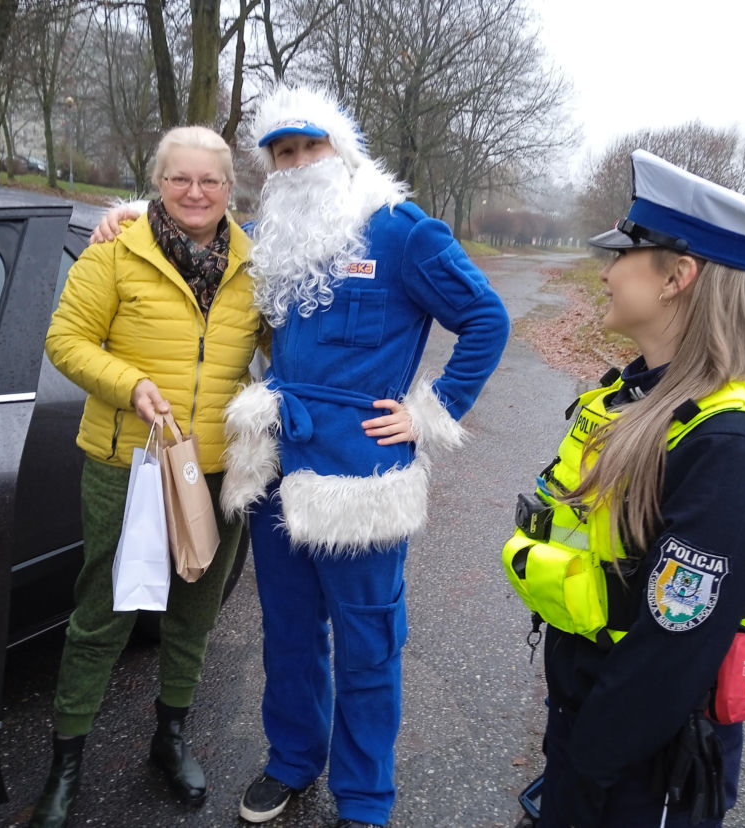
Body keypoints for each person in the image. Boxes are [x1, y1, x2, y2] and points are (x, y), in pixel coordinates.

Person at [93, 84, 510, 827]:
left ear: (340, 150)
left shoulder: (401, 232)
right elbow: (201, 232)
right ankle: (291, 760)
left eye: (308, 146)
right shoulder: (273, 238)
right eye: (281, 152)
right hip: (278, 466)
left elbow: (486, 317)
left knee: (368, 644)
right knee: (287, 635)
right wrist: (130, 215)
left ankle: (365, 798)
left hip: (360, 483)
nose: (295, 163)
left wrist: (430, 411)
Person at [502, 149, 745, 828]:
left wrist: (584, 779)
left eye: (622, 255)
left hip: (642, 767)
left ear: (677, 277)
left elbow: (670, 654)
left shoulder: (733, 449)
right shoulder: (639, 399)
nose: (605, 272)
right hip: (590, 725)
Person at [31, 126, 261, 828]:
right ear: (158, 183)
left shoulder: (256, 266)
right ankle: (65, 763)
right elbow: (65, 340)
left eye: (210, 180)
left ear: (229, 188)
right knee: (104, 612)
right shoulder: (115, 251)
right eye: (179, 178)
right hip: (128, 462)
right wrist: (129, 384)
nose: (195, 192)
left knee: (194, 612)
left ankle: (170, 736)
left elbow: (292, 342)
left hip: (216, 466)